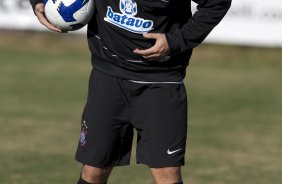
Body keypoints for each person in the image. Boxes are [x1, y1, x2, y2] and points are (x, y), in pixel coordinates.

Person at [30, 0, 232, 183]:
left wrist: (175, 41)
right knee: (94, 170)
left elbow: (217, 3)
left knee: (167, 175)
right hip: (108, 77)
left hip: (162, 82)